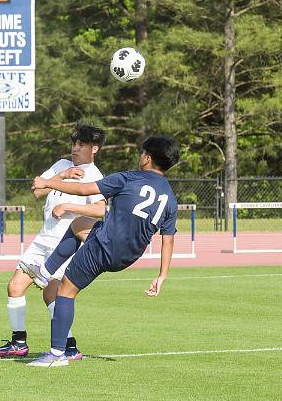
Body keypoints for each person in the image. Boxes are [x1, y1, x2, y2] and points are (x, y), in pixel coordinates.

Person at [22, 135, 180, 367]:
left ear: (147, 158)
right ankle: (45, 272)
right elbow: (168, 239)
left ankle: (57, 355)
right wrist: (162, 275)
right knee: (78, 224)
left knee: (65, 291)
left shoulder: (129, 178)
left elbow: (84, 190)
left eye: (141, 153)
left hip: (104, 246)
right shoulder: (170, 197)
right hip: (127, 255)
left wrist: (48, 183)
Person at [0, 122, 107, 361]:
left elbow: (100, 210)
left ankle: (70, 347)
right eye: (74, 143)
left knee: (51, 295)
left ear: (94, 149)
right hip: (42, 240)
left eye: (81, 145)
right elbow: (37, 189)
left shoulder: (94, 176)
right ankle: (18, 343)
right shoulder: (62, 165)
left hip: (64, 245)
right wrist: (61, 175)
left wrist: (69, 206)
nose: (75, 148)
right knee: (15, 287)